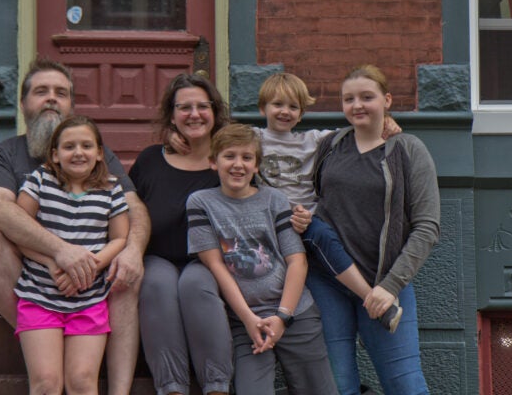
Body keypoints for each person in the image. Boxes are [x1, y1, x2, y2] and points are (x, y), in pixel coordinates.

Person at [0, 58, 151, 395]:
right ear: (23, 104)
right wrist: (58, 254)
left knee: (128, 264)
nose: (52, 98)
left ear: (71, 105)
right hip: (34, 278)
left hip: (90, 283)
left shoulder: (98, 157)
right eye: (41, 91)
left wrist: (133, 251)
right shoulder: (3, 155)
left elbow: (133, 208)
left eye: (61, 93)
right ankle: (46, 337)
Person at [308, 65, 440, 395]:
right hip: (328, 281)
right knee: (338, 386)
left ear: (387, 99)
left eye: (367, 97)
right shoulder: (330, 145)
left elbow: (426, 227)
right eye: (348, 99)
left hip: (384, 285)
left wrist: (391, 286)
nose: (357, 105)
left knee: (405, 384)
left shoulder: (409, 150)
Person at [186, 124, 338, 395]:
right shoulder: (201, 202)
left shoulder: (274, 199)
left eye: (247, 158)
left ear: (257, 166)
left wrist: (282, 317)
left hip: (295, 313)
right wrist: (248, 319)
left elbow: (297, 260)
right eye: (229, 156)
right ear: (213, 161)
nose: (238, 165)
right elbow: (215, 264)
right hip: (246, 321)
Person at [254, 72, 403, 332]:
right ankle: (373, 299)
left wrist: (386, 121)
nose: (284, 112)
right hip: (274, 224)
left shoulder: (314, 140)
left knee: (323, 234)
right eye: (277, 104)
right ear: (262, 108)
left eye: (293, 107)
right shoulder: (253, 139)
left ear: (301, 114)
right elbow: (215, 138)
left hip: (310, 221)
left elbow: (362, 127)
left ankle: (371, 298)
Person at [130, 73, 234, 395]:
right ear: (172, 115)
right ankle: (171, 387)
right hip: (158, 256)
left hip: (209, 260)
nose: (194, 114)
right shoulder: (151, 159)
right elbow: (125, 207)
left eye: (203, 106)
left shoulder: (229, 159)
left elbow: (260, 199)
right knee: (156, 284)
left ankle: (216, 386)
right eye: (184, 107)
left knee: (195, 284)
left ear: (215, 112)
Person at [15, 115, 130, 395]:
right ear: (55, 154)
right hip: (40, 296)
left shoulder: (111, 189)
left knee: (81, 381)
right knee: (46, 383)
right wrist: (53, 264)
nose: (78, 152)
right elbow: (19, 230)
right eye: (69, 147)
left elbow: (119, 238)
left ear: (100, 153)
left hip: (89, 299)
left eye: (86, 146)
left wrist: (87, 270)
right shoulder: (39, 181)